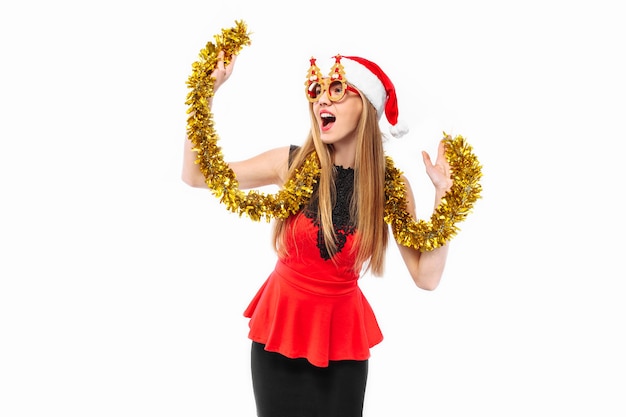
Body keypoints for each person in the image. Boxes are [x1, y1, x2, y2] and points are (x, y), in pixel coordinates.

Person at [182, 47, 467, 417]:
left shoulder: (389, 188)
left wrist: (446, 198)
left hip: (342, 341)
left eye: (336, 89)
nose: (320, 101)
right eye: (315, 91)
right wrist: (205, 92)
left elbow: (426, 276)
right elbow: (196, 175)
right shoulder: (292, 163)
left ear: (365, 104)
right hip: (279, 333)